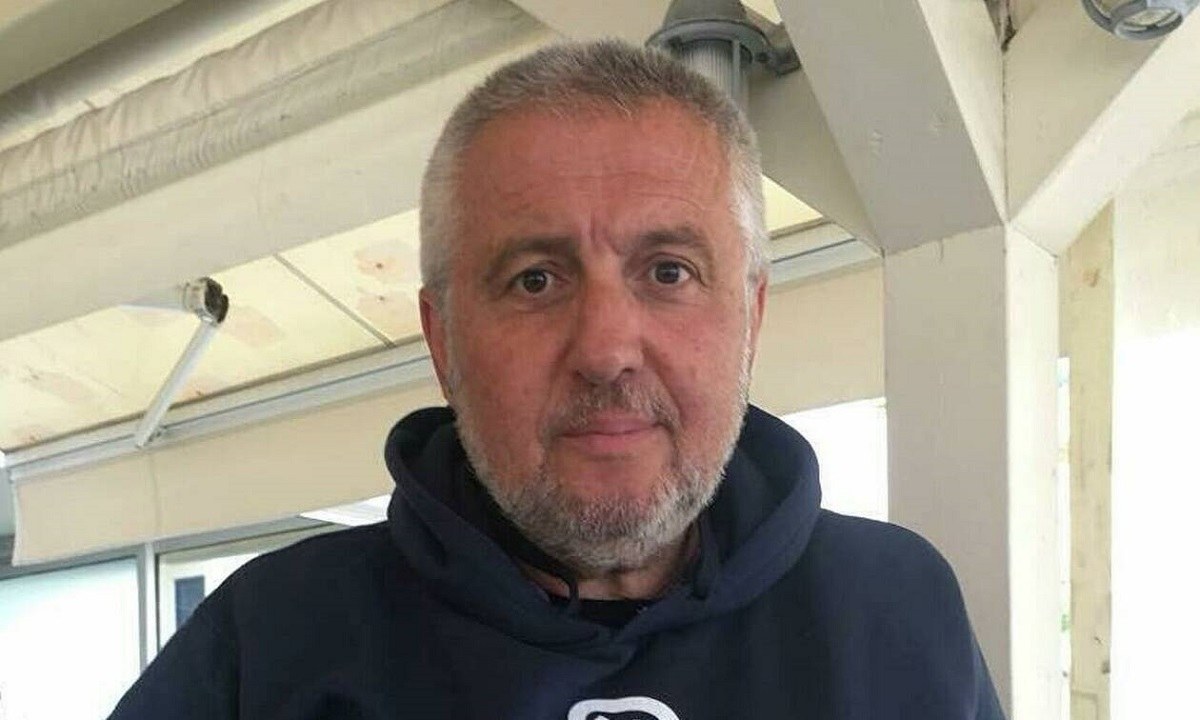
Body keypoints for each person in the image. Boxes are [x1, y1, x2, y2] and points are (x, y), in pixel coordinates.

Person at [108, 40, 1004, 719]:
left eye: (669, 271)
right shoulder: (268, 644)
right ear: (442, 340)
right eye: (535, 280)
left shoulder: (897, 612)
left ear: (751, 317)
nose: (606, 350)